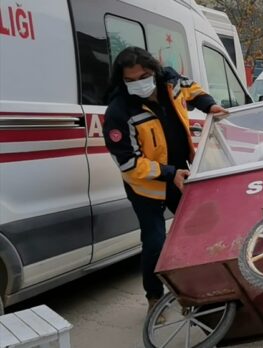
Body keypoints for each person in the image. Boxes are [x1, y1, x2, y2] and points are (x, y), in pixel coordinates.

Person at [103, 47, 227, 320]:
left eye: (144, 76)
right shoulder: (119, 111)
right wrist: (169, 173)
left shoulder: (170, 81)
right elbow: (128, 163)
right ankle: (154, 297)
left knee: (200, 231)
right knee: (155, 242)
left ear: (155, 71)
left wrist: (209, 104)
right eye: (131, 79)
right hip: (146, 186)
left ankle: (205, 289)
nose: (139, 83)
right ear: (122, 80)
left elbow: (191, 88)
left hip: (181, 175)